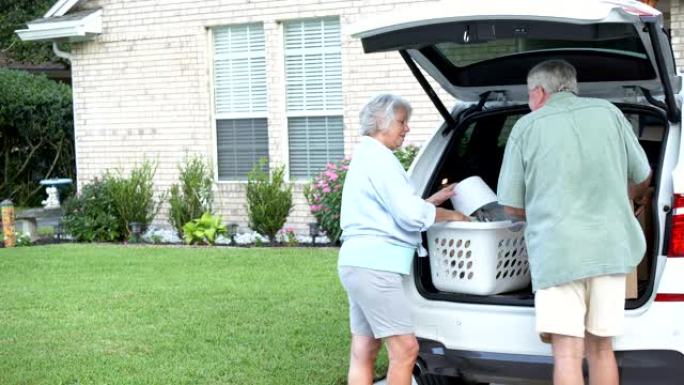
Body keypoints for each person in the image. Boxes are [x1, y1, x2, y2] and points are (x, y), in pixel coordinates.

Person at [497, 60, 652, 385]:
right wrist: (626, 200)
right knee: (601, 349)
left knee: (567, 352)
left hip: (558, 253)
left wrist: (541, 209)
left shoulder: (526, 127)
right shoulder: (609, 113)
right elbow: (642, 175)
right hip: (610, 250)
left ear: (538, 92)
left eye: (529, 94)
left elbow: (512, 206)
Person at [338, 93, 468, 385]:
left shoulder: (367, 155)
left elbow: (394, 209)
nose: (406, 128)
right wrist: (453, 216)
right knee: (406, 350)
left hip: (356, 263)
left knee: (365, 348)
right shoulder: (381, 159)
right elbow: (410, 215)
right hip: (375, 267)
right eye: (401, 122)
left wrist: (431, 202)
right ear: (380, 122)